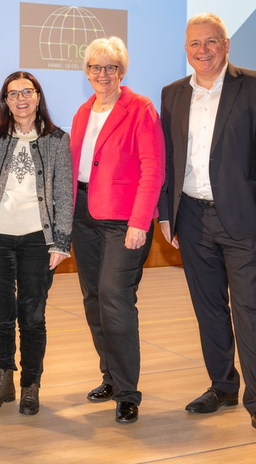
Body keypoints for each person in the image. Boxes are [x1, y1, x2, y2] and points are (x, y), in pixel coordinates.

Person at [158, 13, 256, 445]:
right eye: (194, 44)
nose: (203, 50)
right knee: (209, 309)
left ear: (227, 44)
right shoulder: (172, 94)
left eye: (210, 42)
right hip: (192, 219)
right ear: (186, 49)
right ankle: (222, 386)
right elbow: (168, 160)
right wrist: (167, 214)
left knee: (250, 310)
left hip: (247, 219)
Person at [0, 71, 72, 416]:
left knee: (33, 315)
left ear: (38, 97)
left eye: (28, 92)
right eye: (13, 94)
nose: (21, 99)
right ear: (5, 102)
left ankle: (31, 384)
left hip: (39, 239)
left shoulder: (57, 139)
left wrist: (61, 242)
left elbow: (64, 194)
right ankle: (3, 378)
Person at [69, 37, 164, 424]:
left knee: (114, 297)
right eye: (95, 67)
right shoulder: (82, 111)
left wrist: (141, 222)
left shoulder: (140, 108)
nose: (103, 74)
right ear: (87, 71)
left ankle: (127, 391)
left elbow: (153, 169)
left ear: (121, 72)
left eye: (110, 67)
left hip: (124, 221)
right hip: (83, 216)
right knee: (93, 298)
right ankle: (109, 375)